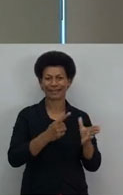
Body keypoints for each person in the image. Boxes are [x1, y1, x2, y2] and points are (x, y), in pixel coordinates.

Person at [7, 50, 102, 194]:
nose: (54, 83)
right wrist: (47, 136)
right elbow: (14, 159)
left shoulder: (80, 118)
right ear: (40, 82)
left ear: (69, 81)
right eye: (48, 78)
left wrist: (87, 144)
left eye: (59, 78)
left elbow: (93, 165)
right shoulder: (27, 115)